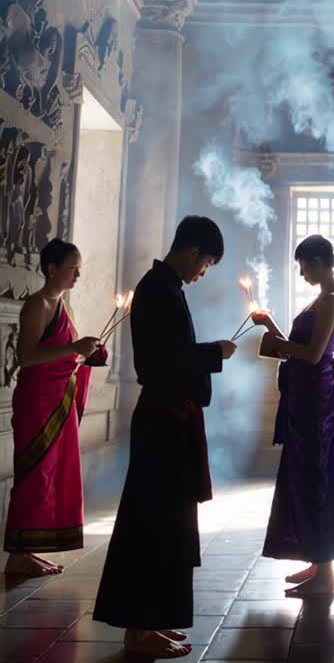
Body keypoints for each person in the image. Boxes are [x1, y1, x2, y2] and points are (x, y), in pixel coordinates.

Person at [92, 216, 237, 659]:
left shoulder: (165, 287)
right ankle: (140, 629)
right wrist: (215, 352)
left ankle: (151, 623)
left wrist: (208, 353)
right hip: (162, 421)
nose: (203, 273)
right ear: (193, 252)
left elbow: (170, 355)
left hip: (168, 418)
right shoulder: (159, 289)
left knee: (168, 526)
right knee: (153, 526)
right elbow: (160, 362)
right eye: (207, 264)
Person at [252, 234, 334, 596]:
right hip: (304, 395)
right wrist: (269, 326)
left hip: (316, 400)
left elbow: (312, 355)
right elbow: (298, 350)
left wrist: (278, 344)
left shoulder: (332, 302)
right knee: (304, 476)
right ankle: (316, 561)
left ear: (315, 261)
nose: (300, 272)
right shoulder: (320, 300)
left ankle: (325, 575)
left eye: (302, 264)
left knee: (314, 479)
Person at [4, 238, 102, 576]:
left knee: (48, 476)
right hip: (37, 403)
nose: (77, 275)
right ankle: (18, 554)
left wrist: (85, 353)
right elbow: (27, 357)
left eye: (79, 269)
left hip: (58, 400)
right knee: (34, 475)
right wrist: (74, 346)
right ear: (52, 269)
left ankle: (27, 549)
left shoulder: (64, 306)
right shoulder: (39, 304)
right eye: (73, 268)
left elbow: (64, 354)